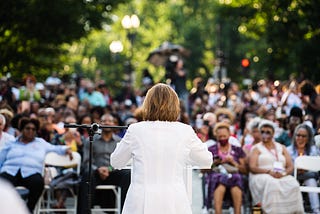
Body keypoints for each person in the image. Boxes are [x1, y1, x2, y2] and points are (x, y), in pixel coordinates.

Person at [111, 83, 213, 214]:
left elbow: (116, 161)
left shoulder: (136, 129)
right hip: (174, 200)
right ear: (175, 105)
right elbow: (206, 160)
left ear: (147, 104)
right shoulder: (185, 131)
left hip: (141, 200)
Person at [0, 117, 72, 213]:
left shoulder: (41, 143)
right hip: (11, 171)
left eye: (33, 129)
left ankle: (29, 210)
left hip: (31, 173)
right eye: (27, 128)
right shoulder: (11, 143)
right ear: (22, 130)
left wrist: (66, 149)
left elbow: (55, 148)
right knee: (2, 183)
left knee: (38, 183)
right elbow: (1, 158)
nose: (31, 131)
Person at [77, 113, 130, 214]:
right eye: (104, 121)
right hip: (95, 173)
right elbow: (86, 161)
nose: (107, 123)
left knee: (128, 174)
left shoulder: (119, 141)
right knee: (87, 173)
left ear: (114, 124)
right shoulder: (91, 140)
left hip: (112, 172)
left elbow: (122, 161)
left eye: (110, 121)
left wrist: (109, 169)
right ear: (99, 123)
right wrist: (98, 169)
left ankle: (125, 211)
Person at [248, 119, 304, 213]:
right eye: (262, 132)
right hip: (261, 174)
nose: (265, 134)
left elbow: (290, 166)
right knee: (272, 184)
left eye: (268, 132)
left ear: (273, 134)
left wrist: (284, 173)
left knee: (293, 183)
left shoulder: (281, 147)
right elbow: (252, 167)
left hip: (280, 174)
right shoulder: (256, 148)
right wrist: (269, 172)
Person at [204, 122, 246, 214]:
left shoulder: (237, 149)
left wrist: (233, 162)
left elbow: (244, 170)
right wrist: (215, 163)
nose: (222, 138)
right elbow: (203, 169)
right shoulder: (211, 149)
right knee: (220, 184)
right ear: (216, 136)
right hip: (217, 177)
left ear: (229, 135)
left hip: (234, 176)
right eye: (220, 137)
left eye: (224, 136)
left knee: (236, 183)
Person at [287, 123, 320, 214]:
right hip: (292, 176)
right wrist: (295, 170)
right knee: (289, 182)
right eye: (298, 135)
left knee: (311, 182)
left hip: (309, 176)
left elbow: (316, 170)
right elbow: (286, 167)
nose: (300, 138)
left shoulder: (313, 150)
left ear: (308, 138)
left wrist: (306, 169)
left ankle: (316, 210)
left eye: (303, 136)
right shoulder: (288, 150)